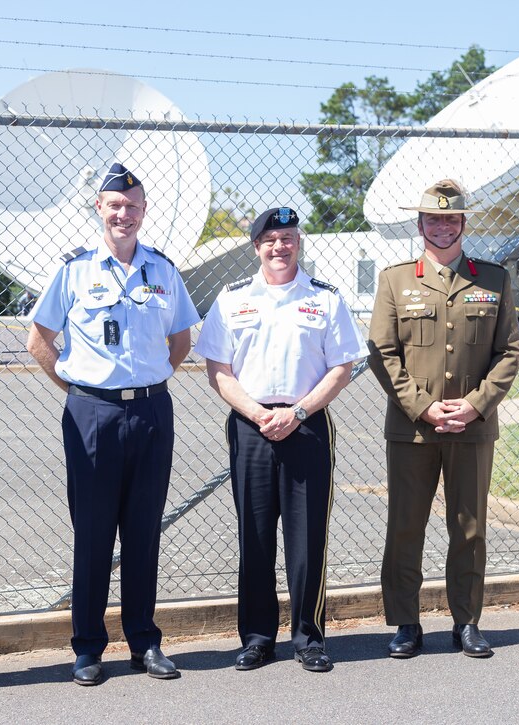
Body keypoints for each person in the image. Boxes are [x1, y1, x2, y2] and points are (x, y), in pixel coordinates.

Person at [27, 162, 200, 686]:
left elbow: (182, 340)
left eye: (133, 205)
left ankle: (145, 642)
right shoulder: (74, 270)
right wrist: (81, 393)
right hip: (92, 415)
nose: (123, 213)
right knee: (94, 534)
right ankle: (87, 648)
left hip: (150, 411)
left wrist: (148, 385)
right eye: (114, 205)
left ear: (144, 212)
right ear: (99, 210)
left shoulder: (163, 270)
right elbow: (39, 341)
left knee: (144, 533)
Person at [195, 207, 367, 673]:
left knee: (307, 537)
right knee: (253, 536)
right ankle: (256, 638)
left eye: (287, 237)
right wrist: (255, 412)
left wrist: (298, 411)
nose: (279, 247)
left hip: (307, 424)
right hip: (250, 426)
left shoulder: (325, 299)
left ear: (298, 243)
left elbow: (342, 366)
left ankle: (309, 638)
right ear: (256, 247)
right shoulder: (231, 300)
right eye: (270, 239)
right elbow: (218, 370)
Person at [368, 180, 519, 659]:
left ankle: (467, 621)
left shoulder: (493, 278)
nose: (442, 226)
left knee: (470, 527)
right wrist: (422, 405)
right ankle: (406, 623)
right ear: (419, 225)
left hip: (472, 428)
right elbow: (382, 354)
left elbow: (509, 351)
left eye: (450, 219)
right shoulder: (395, 280)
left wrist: (476, 404)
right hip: (413, 428)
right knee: (406, 526)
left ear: (463, 225)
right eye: (433, 219)